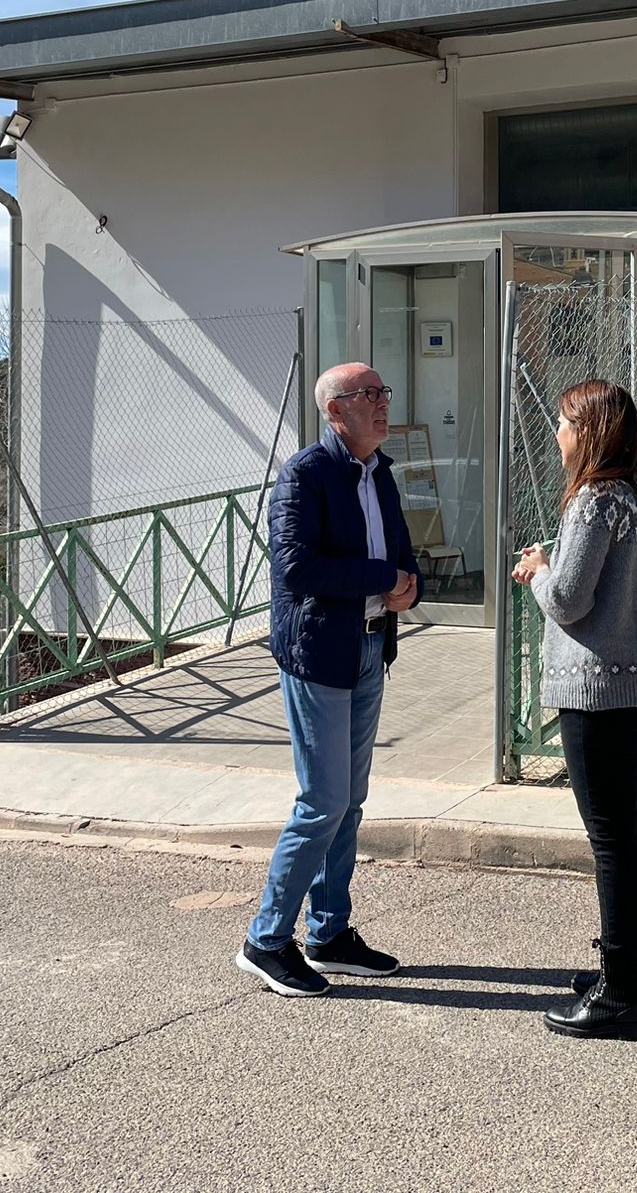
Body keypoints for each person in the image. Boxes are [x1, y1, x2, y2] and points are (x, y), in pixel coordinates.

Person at [512, 379, 637, 1041]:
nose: (555, 434)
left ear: (587, 431)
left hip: (603, 690)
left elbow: (570, 601)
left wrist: (536, 571)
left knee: (613, 842)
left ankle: (619, 995)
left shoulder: (592, 500)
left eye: (562, 423)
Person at [236, 363, 421, 997]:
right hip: (319, 654)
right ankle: (265, 939)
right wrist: (380, 580)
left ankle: (329, 933)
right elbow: (296, 569)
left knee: (350, 802)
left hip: (370, 648)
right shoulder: (304, 475)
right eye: (370, 394)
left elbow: (397, 546)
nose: (383, 403)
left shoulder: (381, 472)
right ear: (335, 411)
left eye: (383, 392)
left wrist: (409, 582)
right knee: (323, 802)